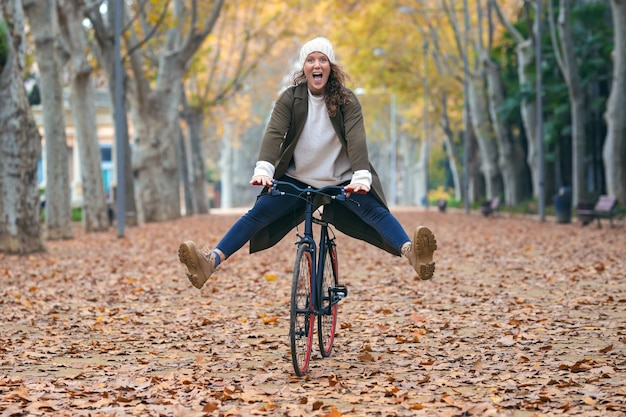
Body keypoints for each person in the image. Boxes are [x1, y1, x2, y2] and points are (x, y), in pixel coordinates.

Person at [178, 36, 437, 290]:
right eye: (311, 60)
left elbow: (356, 139)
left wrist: (360, 177)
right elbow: (274, 134)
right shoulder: (290, 99)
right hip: (297, 180)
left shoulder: (347, 101)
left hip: (342, 182)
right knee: (257, 214)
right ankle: (210, 262)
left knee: (375, 212)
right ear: (304, 67)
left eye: (322, 59)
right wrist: (264, 170)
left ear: (330, 67)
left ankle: (413, 253)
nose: (316, 65)